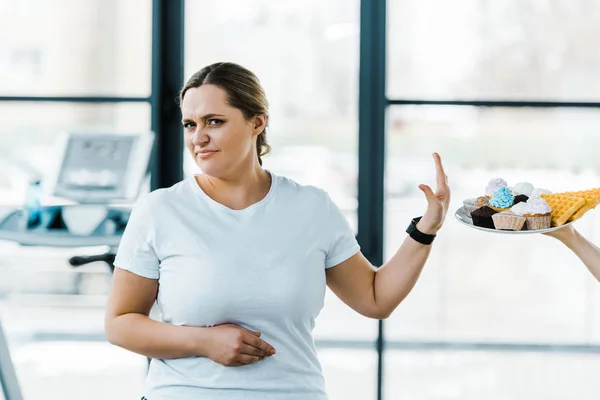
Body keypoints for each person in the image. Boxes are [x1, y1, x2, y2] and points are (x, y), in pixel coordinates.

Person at [104, 62, 451, 400]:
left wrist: (426, 228)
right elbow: (120, 323)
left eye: (215, 121)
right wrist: (203, 341)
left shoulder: (313, 208)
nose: (199, 137)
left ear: (257, 122)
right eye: (190, 124)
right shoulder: (160, 210)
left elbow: (375, 299)